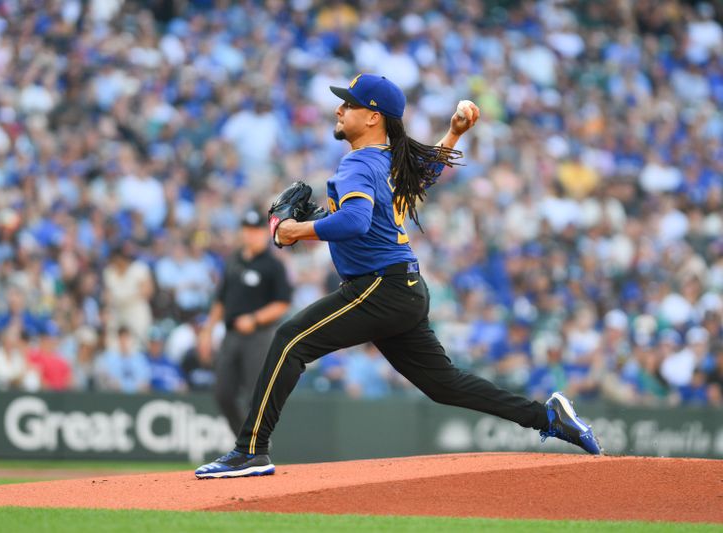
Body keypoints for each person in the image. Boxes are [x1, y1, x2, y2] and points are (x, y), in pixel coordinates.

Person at [196, 74, 602, 479]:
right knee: (445, 385)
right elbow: (420, 176)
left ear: (373, 117)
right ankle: (547, 418)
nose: (339, 109)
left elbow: (355, 220)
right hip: (402, 287)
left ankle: (251, 451)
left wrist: (295, 231)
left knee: (289, 341)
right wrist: (454, 133)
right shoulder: (389, 160)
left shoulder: (358, 162)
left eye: (349, 104)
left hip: (380, 286)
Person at [197, 208, 292, 434]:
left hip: (259, 336)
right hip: (231, 334)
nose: (251, 235)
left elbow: (283, 302)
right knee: (223, 393)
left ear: (264, 232)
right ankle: (243, 440)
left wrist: (255, 318)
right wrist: (207, 332)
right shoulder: (234, 261)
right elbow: (220, 299)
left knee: (255, 395)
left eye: (255, 230)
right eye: (247, 230)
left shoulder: (273, 265)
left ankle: (256, 444)